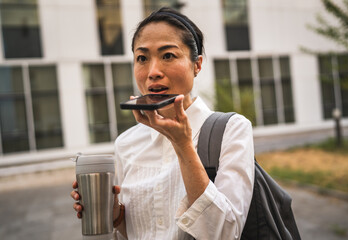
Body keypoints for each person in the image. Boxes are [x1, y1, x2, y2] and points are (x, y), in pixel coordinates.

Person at [71, 7, 254, 240]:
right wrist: (117, 217)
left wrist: (183, 144)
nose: (153, 72)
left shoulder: (231, 130)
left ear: (196, 65)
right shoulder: (126, 144)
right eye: (142, 58)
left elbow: (226, 233)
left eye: (168, 55)